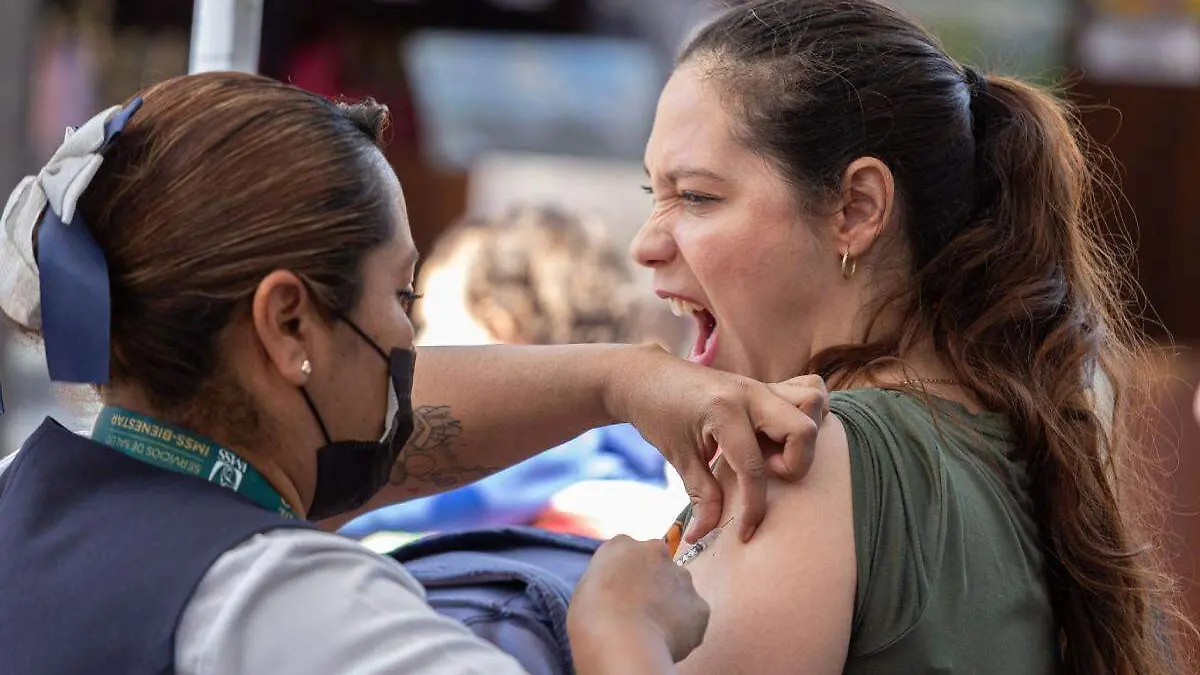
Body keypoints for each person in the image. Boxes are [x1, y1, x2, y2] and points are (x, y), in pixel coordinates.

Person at [0, 72, 830, 675]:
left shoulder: (24, 495)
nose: (410, 334)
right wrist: (622, 631)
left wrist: (622, 380)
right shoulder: (300, 610)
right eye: (401, 293)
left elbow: (328, 436)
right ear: (288, 322)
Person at [634, 1, 1194, 674]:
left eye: (695, 196)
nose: (646, 244)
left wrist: (614, 624)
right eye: (653, 194)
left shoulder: (810, 455)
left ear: (857, 208)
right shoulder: (1019, 437)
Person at [338, 204, 690, 540]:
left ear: (504, 328)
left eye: (429, 324)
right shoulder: (605, 445)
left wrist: (309, 502)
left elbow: (426, 492)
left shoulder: (562, 446)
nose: (416, 347)